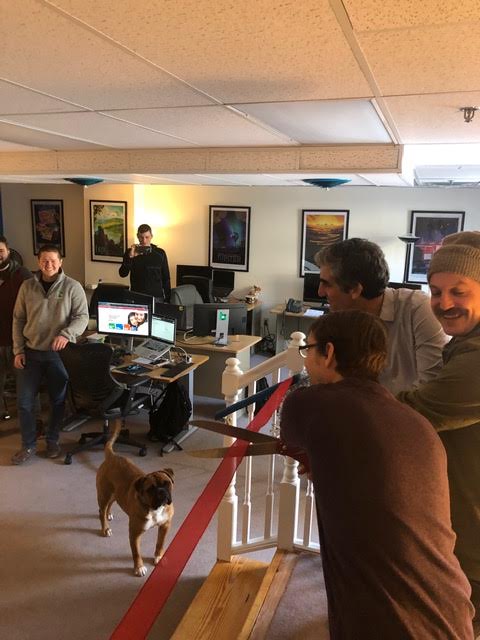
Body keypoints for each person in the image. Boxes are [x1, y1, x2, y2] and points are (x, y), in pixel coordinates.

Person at [280, 310, 474, 639]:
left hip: (389, 622)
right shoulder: (416, 422)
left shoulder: (311, 405)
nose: (305, 360)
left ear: (328, 353)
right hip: (452, 609)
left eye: (308, 350)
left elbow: (291, 433)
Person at [397, 231, 480, 634]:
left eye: (458, 291)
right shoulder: (464, 345)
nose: (443, 303)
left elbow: (414, 415)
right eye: (435, 291)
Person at [315, 238, 448, 393]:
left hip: (411, 414)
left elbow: (431, 386)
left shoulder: (417, 308)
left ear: (354, 289)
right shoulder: (339, 324)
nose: (320, 292)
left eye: (327, 284)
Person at [11, 245, 89, 464]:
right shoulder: (27, 287)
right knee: (24, 403)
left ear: (60, 262)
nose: (49, 264)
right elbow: (18, 320)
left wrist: (67, 334)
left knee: (57, 401)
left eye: (53, 260)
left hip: (59, 355)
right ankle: (28, 446)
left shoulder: (73, 287)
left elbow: (82, 317)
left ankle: (53, 440)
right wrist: (18, 350)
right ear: (38, 262)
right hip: (31, 353)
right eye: (45, 260)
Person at [0, 236, 32, 420]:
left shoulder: (22, 274)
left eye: (0, 251)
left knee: (25, 386)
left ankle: (30, 422)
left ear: (8, 251)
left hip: (17, 341)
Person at [119, 224, 171, 302]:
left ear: (151, 236)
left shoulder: (160, 253)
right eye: (141, 237)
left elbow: (166, 278)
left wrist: (168, 299)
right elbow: (123, 274)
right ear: (137, 236)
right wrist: (130, 257)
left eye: (147, 237)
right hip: (137, 296)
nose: (144, 241)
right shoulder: (130, 252)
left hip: (156, 297)